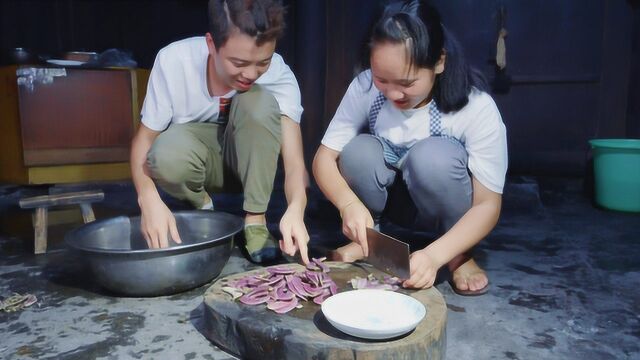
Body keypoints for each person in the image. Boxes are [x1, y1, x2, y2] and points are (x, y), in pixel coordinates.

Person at [313, 0, 507, 295]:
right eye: (382, 79)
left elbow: (488, 206)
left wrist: (434, 256)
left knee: (432, 159)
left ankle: (458, 255)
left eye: (406, 82)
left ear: (439, 62)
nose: (392, 93)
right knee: (357, 152)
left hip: (441, 203)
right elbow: (323, 159)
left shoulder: (476, 107)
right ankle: (370, 240)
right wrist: (348, 205)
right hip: (393, 201)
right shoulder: (365, 87)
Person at [130, 0, 310, 264]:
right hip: (201, 163)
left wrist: (296, 208)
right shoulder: (173, 61)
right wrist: (148, 198)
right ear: (211, 44)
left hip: (252, 168)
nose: (251, 73)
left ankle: (255, 222)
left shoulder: (280, 75)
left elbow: (295, 165)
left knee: (257, 101)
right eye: (239, 62)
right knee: (164, 153)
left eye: (263, 62)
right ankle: (204, 209)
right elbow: (142, 143)